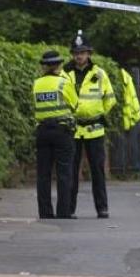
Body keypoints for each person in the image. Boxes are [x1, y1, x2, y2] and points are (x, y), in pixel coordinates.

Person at [64, 29, 117, 219]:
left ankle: (102, 208)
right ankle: (69, 209)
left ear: (89, 53)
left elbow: (110, 98)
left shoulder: (99, 73)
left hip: (95, 129)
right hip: (73, 128)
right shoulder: (65, 74)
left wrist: (98, 112)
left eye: (82, 52)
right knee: (71, 171)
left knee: (97, 171)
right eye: (76, 53)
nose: (79, 56)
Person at [32, 49, 78, 219]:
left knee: (43, 174)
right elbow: (75, 105)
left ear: (44, 66)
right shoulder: (64, 83)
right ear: (58, 65)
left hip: (42, 131)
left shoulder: (36, 84)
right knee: (64, 173)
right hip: (61, 131)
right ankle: (63, 212)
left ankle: (45, 212)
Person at [118, 65, 140, 177]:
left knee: (130, 146)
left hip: (130, 117)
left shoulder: (125, 79)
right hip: (131, 117)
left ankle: (131, 169)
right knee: (130, 146)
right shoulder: (127, 78)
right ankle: (130, 169)